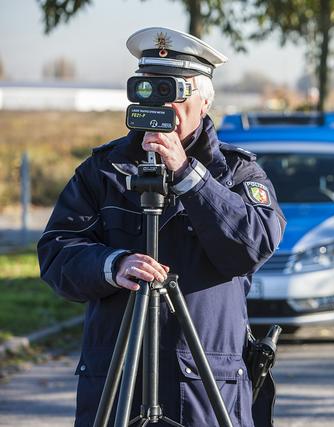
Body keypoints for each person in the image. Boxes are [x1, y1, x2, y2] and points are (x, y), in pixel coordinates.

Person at [38, 27, 285, 427]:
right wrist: (112, 265)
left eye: (173, 90)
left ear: (203, 102)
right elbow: (55, 253)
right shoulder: (103, 171)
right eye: (149, 88)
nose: (161, 102)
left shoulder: (237, 173)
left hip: (203, 385)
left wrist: (189, 176)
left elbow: (252, 247)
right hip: (119, 384)